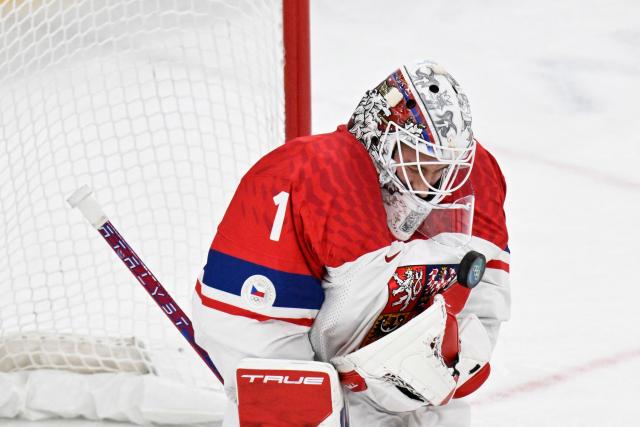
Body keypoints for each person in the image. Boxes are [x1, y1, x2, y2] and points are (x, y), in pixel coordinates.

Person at [192, 60, 510, 426]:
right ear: (379, 135)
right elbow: (252, 335)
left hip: (417, 403)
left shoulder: (476, 179)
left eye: (443, 167)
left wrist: (447, 363)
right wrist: (306, 405)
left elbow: (484, 306)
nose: (433, 185)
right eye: (419, 160)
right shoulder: (309, 177)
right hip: (326, 402)